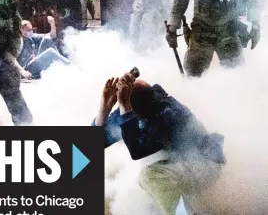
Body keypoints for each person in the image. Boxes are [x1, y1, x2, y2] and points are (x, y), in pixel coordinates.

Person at [92, 71, 225, 214]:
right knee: (143, 187)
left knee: (151, 176)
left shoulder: (167, 110)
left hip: (206, 163)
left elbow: (137, 151)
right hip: (178, 163)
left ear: (136, 109)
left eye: (123, 104)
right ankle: (189, 205)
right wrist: (104, 108)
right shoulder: (135, 107)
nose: (120, 110)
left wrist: (125, 105)